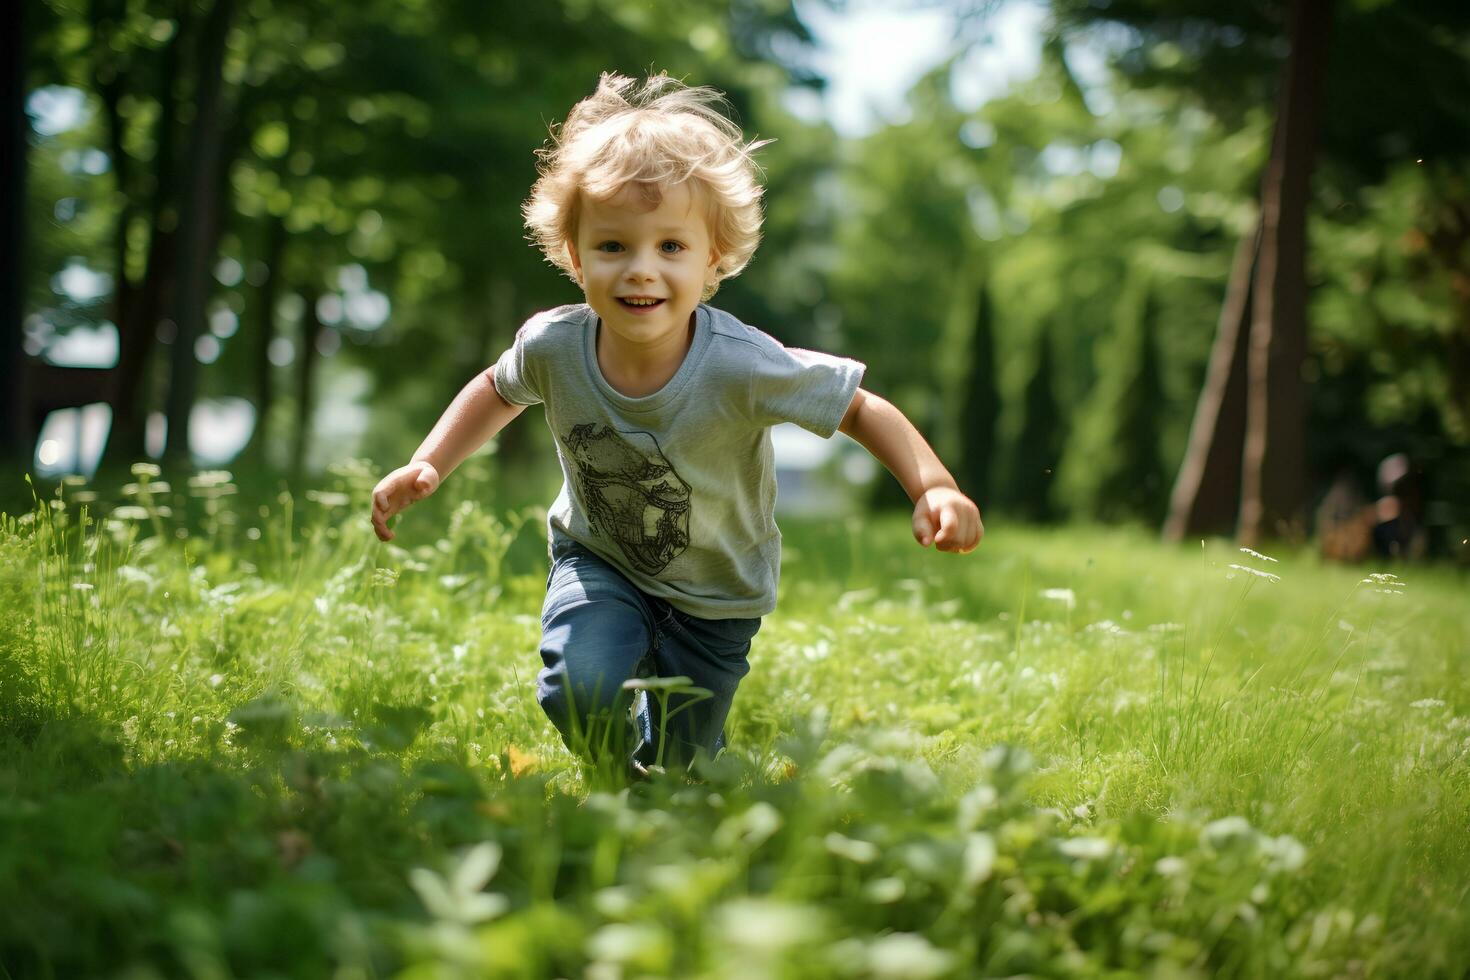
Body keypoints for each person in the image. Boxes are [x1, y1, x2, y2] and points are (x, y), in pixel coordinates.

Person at [369, 72, 983, 780]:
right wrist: (429, 464)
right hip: (600, 559)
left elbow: (857, 405)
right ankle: (612, 782)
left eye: (670, 247)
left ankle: (664, 787)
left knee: (684, 773)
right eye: (612, 246)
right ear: (573, 253)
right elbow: (496, 389)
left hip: (718, 596)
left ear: (713, 258)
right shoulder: (554, 347)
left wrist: (931, 485)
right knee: (582, 690)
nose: (640, 270)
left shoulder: (741, 364)